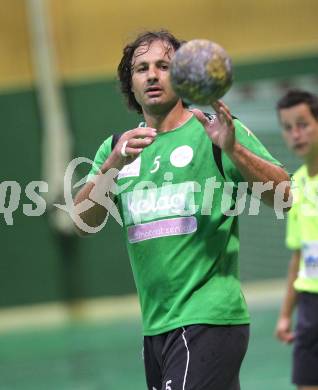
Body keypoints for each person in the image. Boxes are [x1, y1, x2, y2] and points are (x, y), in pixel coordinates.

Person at [74, 30, 291, 390]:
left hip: (209, 319)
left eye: (164, 65)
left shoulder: (215, 131)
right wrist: (111, 164)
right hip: (156, 327)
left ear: (184, 76)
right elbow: (81, 223)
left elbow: (285, 195)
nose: (153, 75)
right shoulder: (117, 149)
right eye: (141, 68)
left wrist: (233, 149)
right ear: (131, 82)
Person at [275, 89, 318, 390]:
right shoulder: (296, 185)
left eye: (303, 124)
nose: (296, 134)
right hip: (310, 308)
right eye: (288, 127)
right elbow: (298, 257)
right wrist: (285, 314)